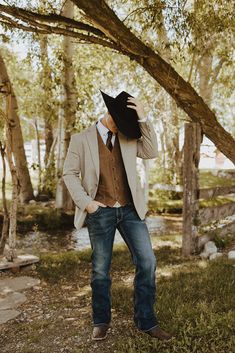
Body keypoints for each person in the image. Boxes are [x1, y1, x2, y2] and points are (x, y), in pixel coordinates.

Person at [62, 90, 173, 341]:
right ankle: (101, 320)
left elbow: (152, 151)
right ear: (111, 116)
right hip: (99, 210)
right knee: (101, 270)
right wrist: (87, 203)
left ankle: (146, 321)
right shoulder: (81, 139)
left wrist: (143, 117)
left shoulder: (128, 136)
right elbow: (69, 173)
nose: (126, 126)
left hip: (130, 209)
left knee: (148, 262)